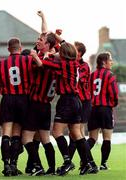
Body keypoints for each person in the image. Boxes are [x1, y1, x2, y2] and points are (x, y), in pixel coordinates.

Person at [32, 36, 97, 176]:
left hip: (67, 101)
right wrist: (57, 38)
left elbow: (41, 63)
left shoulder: (62, 64)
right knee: (76, 133)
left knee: (57, 132)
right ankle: (88, 164)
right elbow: (63, 44)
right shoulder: (74, 63)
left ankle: (68, 161)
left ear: (63, 54)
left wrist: (34, 54)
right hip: (76, 101)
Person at [0, 37, 34, 176]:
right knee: (17, 133)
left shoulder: (2, 63)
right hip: (23, 99)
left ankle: (6, 165)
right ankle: (13, 164)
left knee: (6, 132)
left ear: (8, 49)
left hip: (8, 98)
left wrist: (6, 92)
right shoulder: (28, 60)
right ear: (20, 47)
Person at [22, 32, 57, 176]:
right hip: (46, 106)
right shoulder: (54, 58)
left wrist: (35, 56)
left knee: (26, 138)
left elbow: (42, 66)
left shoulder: (44, 59)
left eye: (40, 40)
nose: (37, 41)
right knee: (45, 139)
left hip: (37, 103)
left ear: (48, 44)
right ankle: (52, 168)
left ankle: (38, 166)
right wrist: (43, 19)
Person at [68, 42, 98, 172]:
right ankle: (85, 164)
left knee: (77, 134)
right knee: (74, 135)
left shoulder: (83, 66)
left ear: (79, 53)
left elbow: (76, 80)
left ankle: (89, 164)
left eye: (74, 50)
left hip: (83, 102)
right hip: (76, 102)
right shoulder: (72, 64)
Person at [87, 52, 119, 170]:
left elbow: (88, 92)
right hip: (105, 109)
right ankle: (103, 164)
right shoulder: (109, 75)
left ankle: (85, 158)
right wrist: (113, 104)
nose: (112, 62)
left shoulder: (92, 75)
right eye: (110, 60)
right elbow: (114, 94)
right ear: (104, 62)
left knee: (92, 139)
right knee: (107, 138)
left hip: (93, 109)